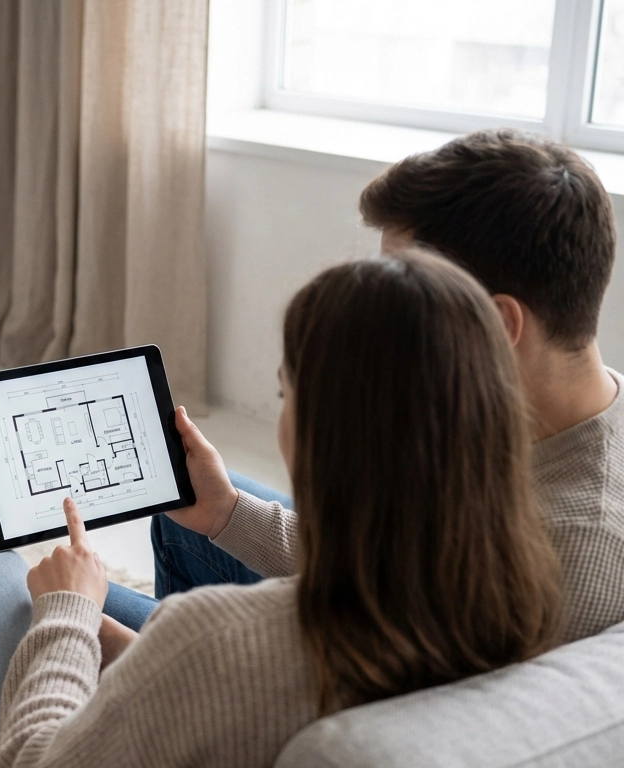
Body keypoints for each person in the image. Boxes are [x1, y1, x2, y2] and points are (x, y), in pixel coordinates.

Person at [0, 250, 561, 768]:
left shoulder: (226, 637)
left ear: (321, 433)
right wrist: (147, 646)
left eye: (287, 395)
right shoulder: (517, 600)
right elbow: (218, 693)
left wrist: (66, 619)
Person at [106, 129, 624, 643]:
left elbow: (338, 698)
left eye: (404, 291)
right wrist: (228, 514)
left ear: (496, 324)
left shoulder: (562, 558)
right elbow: (389, 574)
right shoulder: (514, 419)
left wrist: (129, 658)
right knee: (192, 512)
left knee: (32, 594)